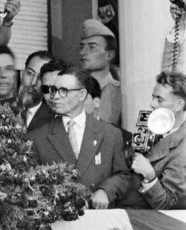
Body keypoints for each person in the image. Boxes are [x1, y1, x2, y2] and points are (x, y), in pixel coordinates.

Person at [29, 66, 130, 209]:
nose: (55, 96)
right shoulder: (37, 137)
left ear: (82, 95)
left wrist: (105, 191)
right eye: (53, 90)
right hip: (58, 223)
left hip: (99, 219)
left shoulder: (110, 134)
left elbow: (122, 175)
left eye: (63, 91)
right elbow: (31, 184)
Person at [120, 71, 186, 210]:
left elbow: (169, 204)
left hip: (146, 220)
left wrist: (150, 176)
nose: (152, 104)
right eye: (153, 98)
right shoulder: (148, 126)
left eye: (159, 99)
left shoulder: (182, 147)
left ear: (179, 105)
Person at [79, 19, 121, 127]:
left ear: (109, 55)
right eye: (82, 46)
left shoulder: (113, 91)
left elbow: (103, 129)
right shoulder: (79, 87)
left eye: (92, 47)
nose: (82, 52)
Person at [28, 58, 67, 133]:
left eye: (55, 88)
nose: (51, 95)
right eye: (46, 89)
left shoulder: (84, 121)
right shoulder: (37, 125)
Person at [18, 50, 52, 122]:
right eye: (30, 73)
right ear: (21, 74)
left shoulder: (53, 120)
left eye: (41, 78)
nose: (33, 82)